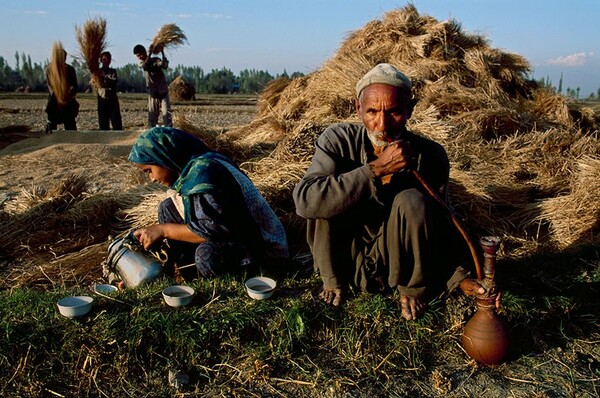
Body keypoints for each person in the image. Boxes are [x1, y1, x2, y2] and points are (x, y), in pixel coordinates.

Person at [293, 63, 495, 320]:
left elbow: (442, 223)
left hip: (396, 267)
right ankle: (332, 281)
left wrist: (461, 278)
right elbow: (305, 201)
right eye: (372, 111)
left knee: (412, 200)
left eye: (395, 112)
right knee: (322, 196)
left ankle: (411, 287)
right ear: (358, 109)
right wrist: (375, 170)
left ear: (410, 109)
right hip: (344, 260)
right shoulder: (337, 140)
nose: (382, 124)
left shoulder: (431, 155)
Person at [128, 127, 289, 279]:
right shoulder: (192, 169)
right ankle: (193, 277)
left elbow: (214, 229)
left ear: (164, 157)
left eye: (149, 170)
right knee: (167, 208)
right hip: (231, 234)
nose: (152, 178)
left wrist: (163, 230)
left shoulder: (205, 172)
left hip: (260, 248)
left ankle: (238, 281)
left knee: (207, 256)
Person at [133, 44, 172, 128]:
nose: (139, 57)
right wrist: (150, 53)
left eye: (140, 54)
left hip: (163, 91)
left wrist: (162, 52)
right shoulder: (141, 62)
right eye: (137, 56)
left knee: (167, 115)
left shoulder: (155, 59)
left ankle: (169, 133)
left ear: (144, 52)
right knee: (152, 116)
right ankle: (151, 134)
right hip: (153, 93)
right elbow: (145, 66)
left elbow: (163, 65)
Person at [45, 49, 79, 133]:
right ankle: (51, 142)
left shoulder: (70, 69)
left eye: (63, 57)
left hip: (67, 101)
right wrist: (56, 94)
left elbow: (74, 85)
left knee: (70, 125)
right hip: (54, 101)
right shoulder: (50, 69)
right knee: (52, 124)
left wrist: (68, 93)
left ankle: (72, 142)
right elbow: (49, 85)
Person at [97, 51, 123, 130]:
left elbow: (113, 81)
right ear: (101, 60)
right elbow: (94, 83)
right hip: (102, 100)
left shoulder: (113, 71)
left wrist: (104, 78)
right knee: (103, 123)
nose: (106, 61)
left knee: (116, 122)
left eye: (108, 59)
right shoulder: (97, 72)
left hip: (112, 100)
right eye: (104, 59)